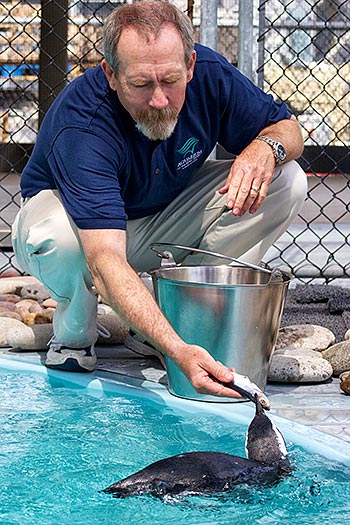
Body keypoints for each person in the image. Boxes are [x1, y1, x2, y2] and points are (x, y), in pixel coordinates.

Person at [12, 0, 307, 399]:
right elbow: (104, 260)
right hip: (81, 233)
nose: (158, 100)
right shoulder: (83, 122)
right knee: (58, 238)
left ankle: (186, 322)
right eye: (141, 84)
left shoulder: (210, 74)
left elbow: (289, 129)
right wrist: (177, 352)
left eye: (170, 80)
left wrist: (265, 147)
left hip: (161, 214)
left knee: (285, 178)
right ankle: (74, 333)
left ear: (189, 65)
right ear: (111, 75)